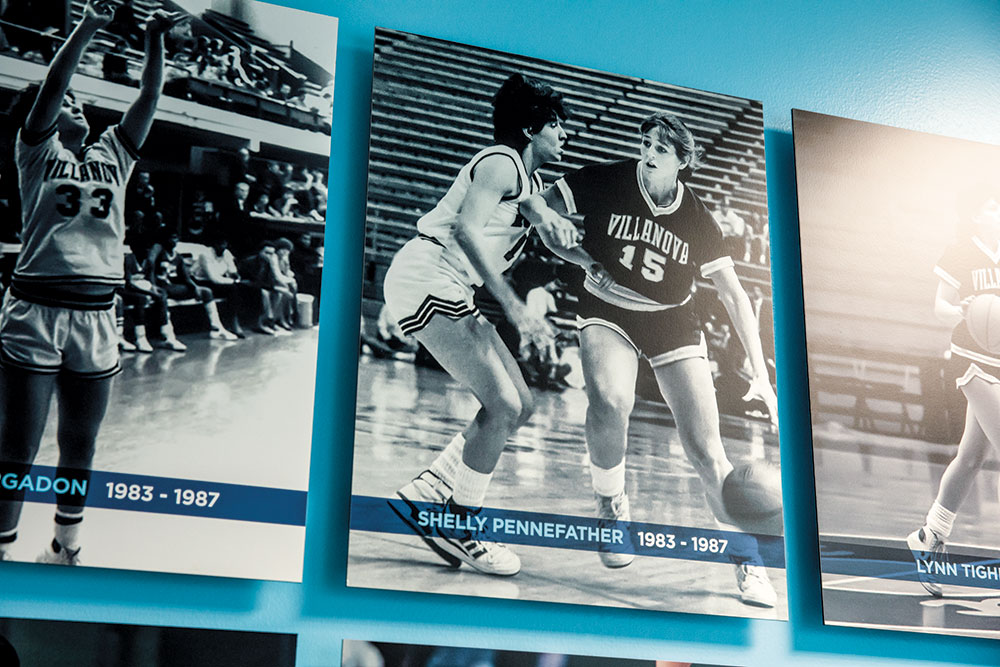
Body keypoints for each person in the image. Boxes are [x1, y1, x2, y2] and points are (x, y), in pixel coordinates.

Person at [520, 111, 780, 607]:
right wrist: (554, 228)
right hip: (606, 302)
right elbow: (533, 200)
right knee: (610, 401)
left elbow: (733, 294)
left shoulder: (699, 220)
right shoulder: (605, 179)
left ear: (683, 161)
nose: (650, 152)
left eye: (662, 147)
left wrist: (762, 372)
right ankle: (612, 503)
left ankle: (747, 560)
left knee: (708, 452)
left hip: (670, 318)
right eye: (646, 142)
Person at [0, 2, 186, 564]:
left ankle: (67, 545)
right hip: (35, 310)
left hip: (98, 315)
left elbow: (149, 97)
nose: (75, 104)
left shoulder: (113, 153)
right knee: (18, 447)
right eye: (66, 103)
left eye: (81, 101)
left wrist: (154, 38)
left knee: (80, 442)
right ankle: (3, 549)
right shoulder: (35, 153)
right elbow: (57, 81)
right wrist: (86, 29)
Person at [385, 73, 576, 576]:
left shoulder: (527, 181)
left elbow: (544, 220)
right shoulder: (499, 161)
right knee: (503, 404)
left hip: (451, 286)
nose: (565, 135)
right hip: (429, 274)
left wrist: (591, 262)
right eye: (557, 125)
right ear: (533, 128)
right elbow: (468, 231)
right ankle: (459, 524)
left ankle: (426, 490)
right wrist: (514, 306)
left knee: (523, 404)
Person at [906, 185, 1000, 597]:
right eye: (993, 205)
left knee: (972, 456)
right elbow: (940, 306)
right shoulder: (961, 250)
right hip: (971, 358)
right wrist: (965, 310)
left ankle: (929, 536)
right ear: (978, 215)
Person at [146, 230, 238, 340]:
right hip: (160, 286)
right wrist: (152, 285)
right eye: (171, 238)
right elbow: (150, 263)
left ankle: (217, 328)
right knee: (162, 296)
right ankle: (168, 335)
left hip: (173, 286)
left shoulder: (178, 257)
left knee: (206, 291)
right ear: (164, 240)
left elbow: (185, 277)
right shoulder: (158, 252)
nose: (174, 241)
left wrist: (195, 287)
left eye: (176, 238)